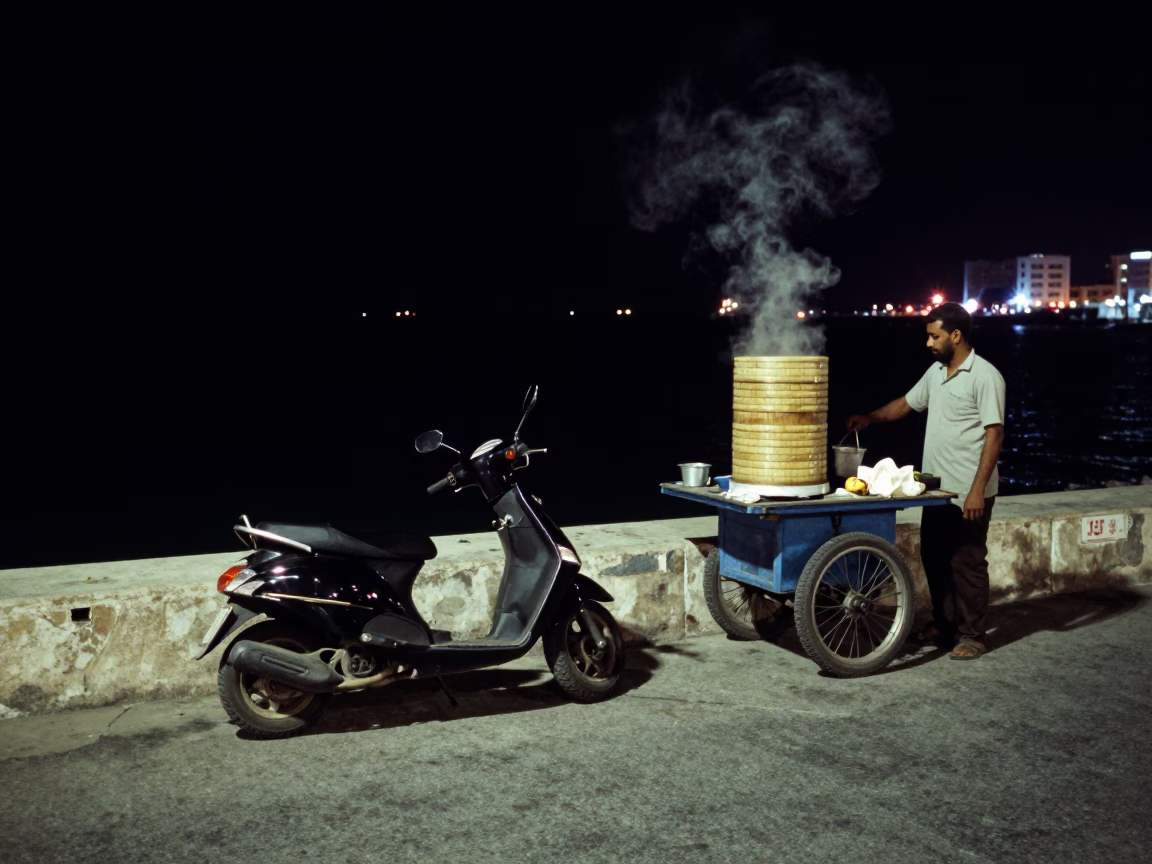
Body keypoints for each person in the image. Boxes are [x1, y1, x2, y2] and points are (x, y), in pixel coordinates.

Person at [847, 302, 1005, 660]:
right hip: (937, 491)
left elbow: (994, 435)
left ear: (956, 335)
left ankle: (973, 635)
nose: (929, 343)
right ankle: (946, 626)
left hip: (969, 491)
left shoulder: (985, 376)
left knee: (967, 562)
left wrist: (977, 490)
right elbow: (906, 404)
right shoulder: (936, 372)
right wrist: (871, 418)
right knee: (934, 557)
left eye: (934, 336)